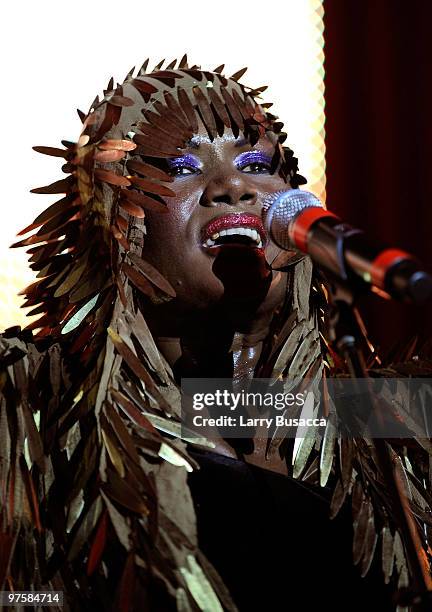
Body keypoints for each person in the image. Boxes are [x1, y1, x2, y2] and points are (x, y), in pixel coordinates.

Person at [0, 55, 431, 611]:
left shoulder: (381, 411)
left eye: (255, 162)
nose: (233, 186)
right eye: (181, 167)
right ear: (111, 218)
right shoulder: (35, 402)